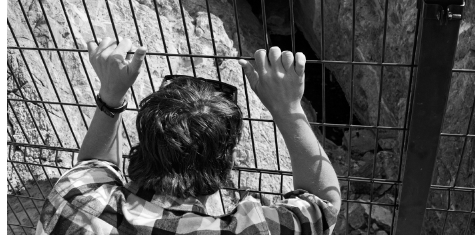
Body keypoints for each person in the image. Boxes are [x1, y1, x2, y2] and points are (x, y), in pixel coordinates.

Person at [36, 37, 341, 235]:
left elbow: (93, 165)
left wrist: (111, 95)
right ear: (227, 164)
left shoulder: (75, 197)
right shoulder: (251, 233)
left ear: (144, 146)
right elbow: (325, 204)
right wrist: (287, 108)